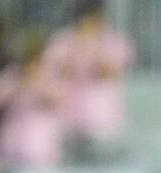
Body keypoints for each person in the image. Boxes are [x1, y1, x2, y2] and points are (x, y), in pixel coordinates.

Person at [44, 0, 133, 163]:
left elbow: (109, 71)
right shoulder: (63, 40)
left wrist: (91, 51)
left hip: (100, 117)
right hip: (68, 117)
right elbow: (52, 68)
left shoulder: (110, 41)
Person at [0, 28, 64, 167]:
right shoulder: (11, 75)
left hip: (41, 149)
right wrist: (19, 84)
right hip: (11, 146)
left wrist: (35, 85)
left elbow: (57, 100)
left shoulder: (51, 76)